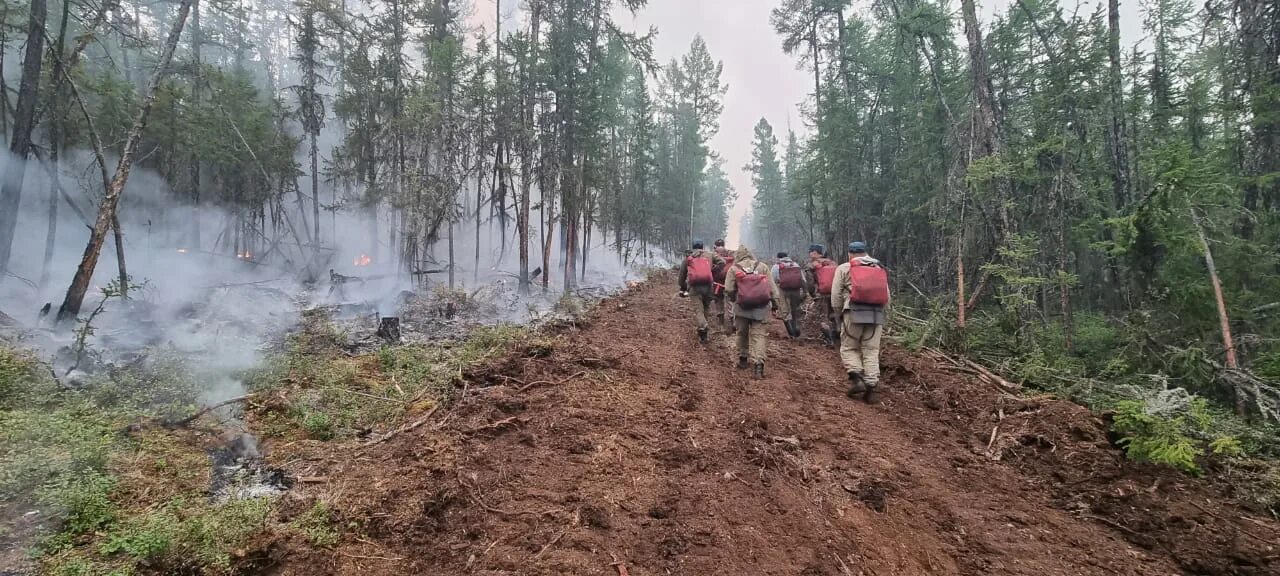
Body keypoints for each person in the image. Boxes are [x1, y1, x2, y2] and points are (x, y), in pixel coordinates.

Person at [831, 242, 891, 403]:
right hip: (876, 314)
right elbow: (887, 295)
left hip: (853, 312)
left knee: (849, 347)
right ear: (866, 252)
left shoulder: (845, 267)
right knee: (871, 350)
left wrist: (838, 314)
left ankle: (857, 379)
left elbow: (836, 294)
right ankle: (871, 387)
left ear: (850, 254)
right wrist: (883, 312)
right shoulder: (879, 267)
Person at [723, 245, 779, 379]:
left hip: (741, 307)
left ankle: (743, 359)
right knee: (759, 336)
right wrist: (775, 305)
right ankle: (758, 365)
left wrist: (735, 299)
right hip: (761, 308)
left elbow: (729, 289)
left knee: (742, 333)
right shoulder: (763, 267)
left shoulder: (734, 269)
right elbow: (772, 289)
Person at [678, 239, 725, 344]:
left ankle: (703, 326)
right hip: (708, 286)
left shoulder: (689, 258)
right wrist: (712, 270)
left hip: (695, 287)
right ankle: (704, 334)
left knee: (699, 310)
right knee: (706, 308)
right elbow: (723, 262)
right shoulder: (710, 255)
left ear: (693, 247)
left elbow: (681, 276)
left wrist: (683, 287)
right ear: (703, 247)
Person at [804, 244, 839, 346]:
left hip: (822, 295)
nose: (809, 254)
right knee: (835, 315)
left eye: (810, 252)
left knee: (823, 318)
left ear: (815, 252)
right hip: (836, 294)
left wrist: (813, 295)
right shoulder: (833, 263)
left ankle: (830, 340)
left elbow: (810, 283)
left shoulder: (812, 265)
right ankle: (838, 335)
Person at [770, 251, 806, 338]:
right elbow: (803, 280)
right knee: (795, 310)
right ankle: (796, 328)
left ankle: (791, 333)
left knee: (784, 311)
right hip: (796, 289)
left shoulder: (776, 266)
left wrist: (772, 294)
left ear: (778, 257)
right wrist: (805, 291)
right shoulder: (796, 264)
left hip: (782, 290)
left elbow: (772, 280)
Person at [712, 239, 736, 333]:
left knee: (719, 302)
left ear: (715, 246)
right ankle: (733, 321)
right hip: (729, 281)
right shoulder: (730, 254)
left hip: (717, 283)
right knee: (731, 302)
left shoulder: (714, 254)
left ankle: (721, 324)